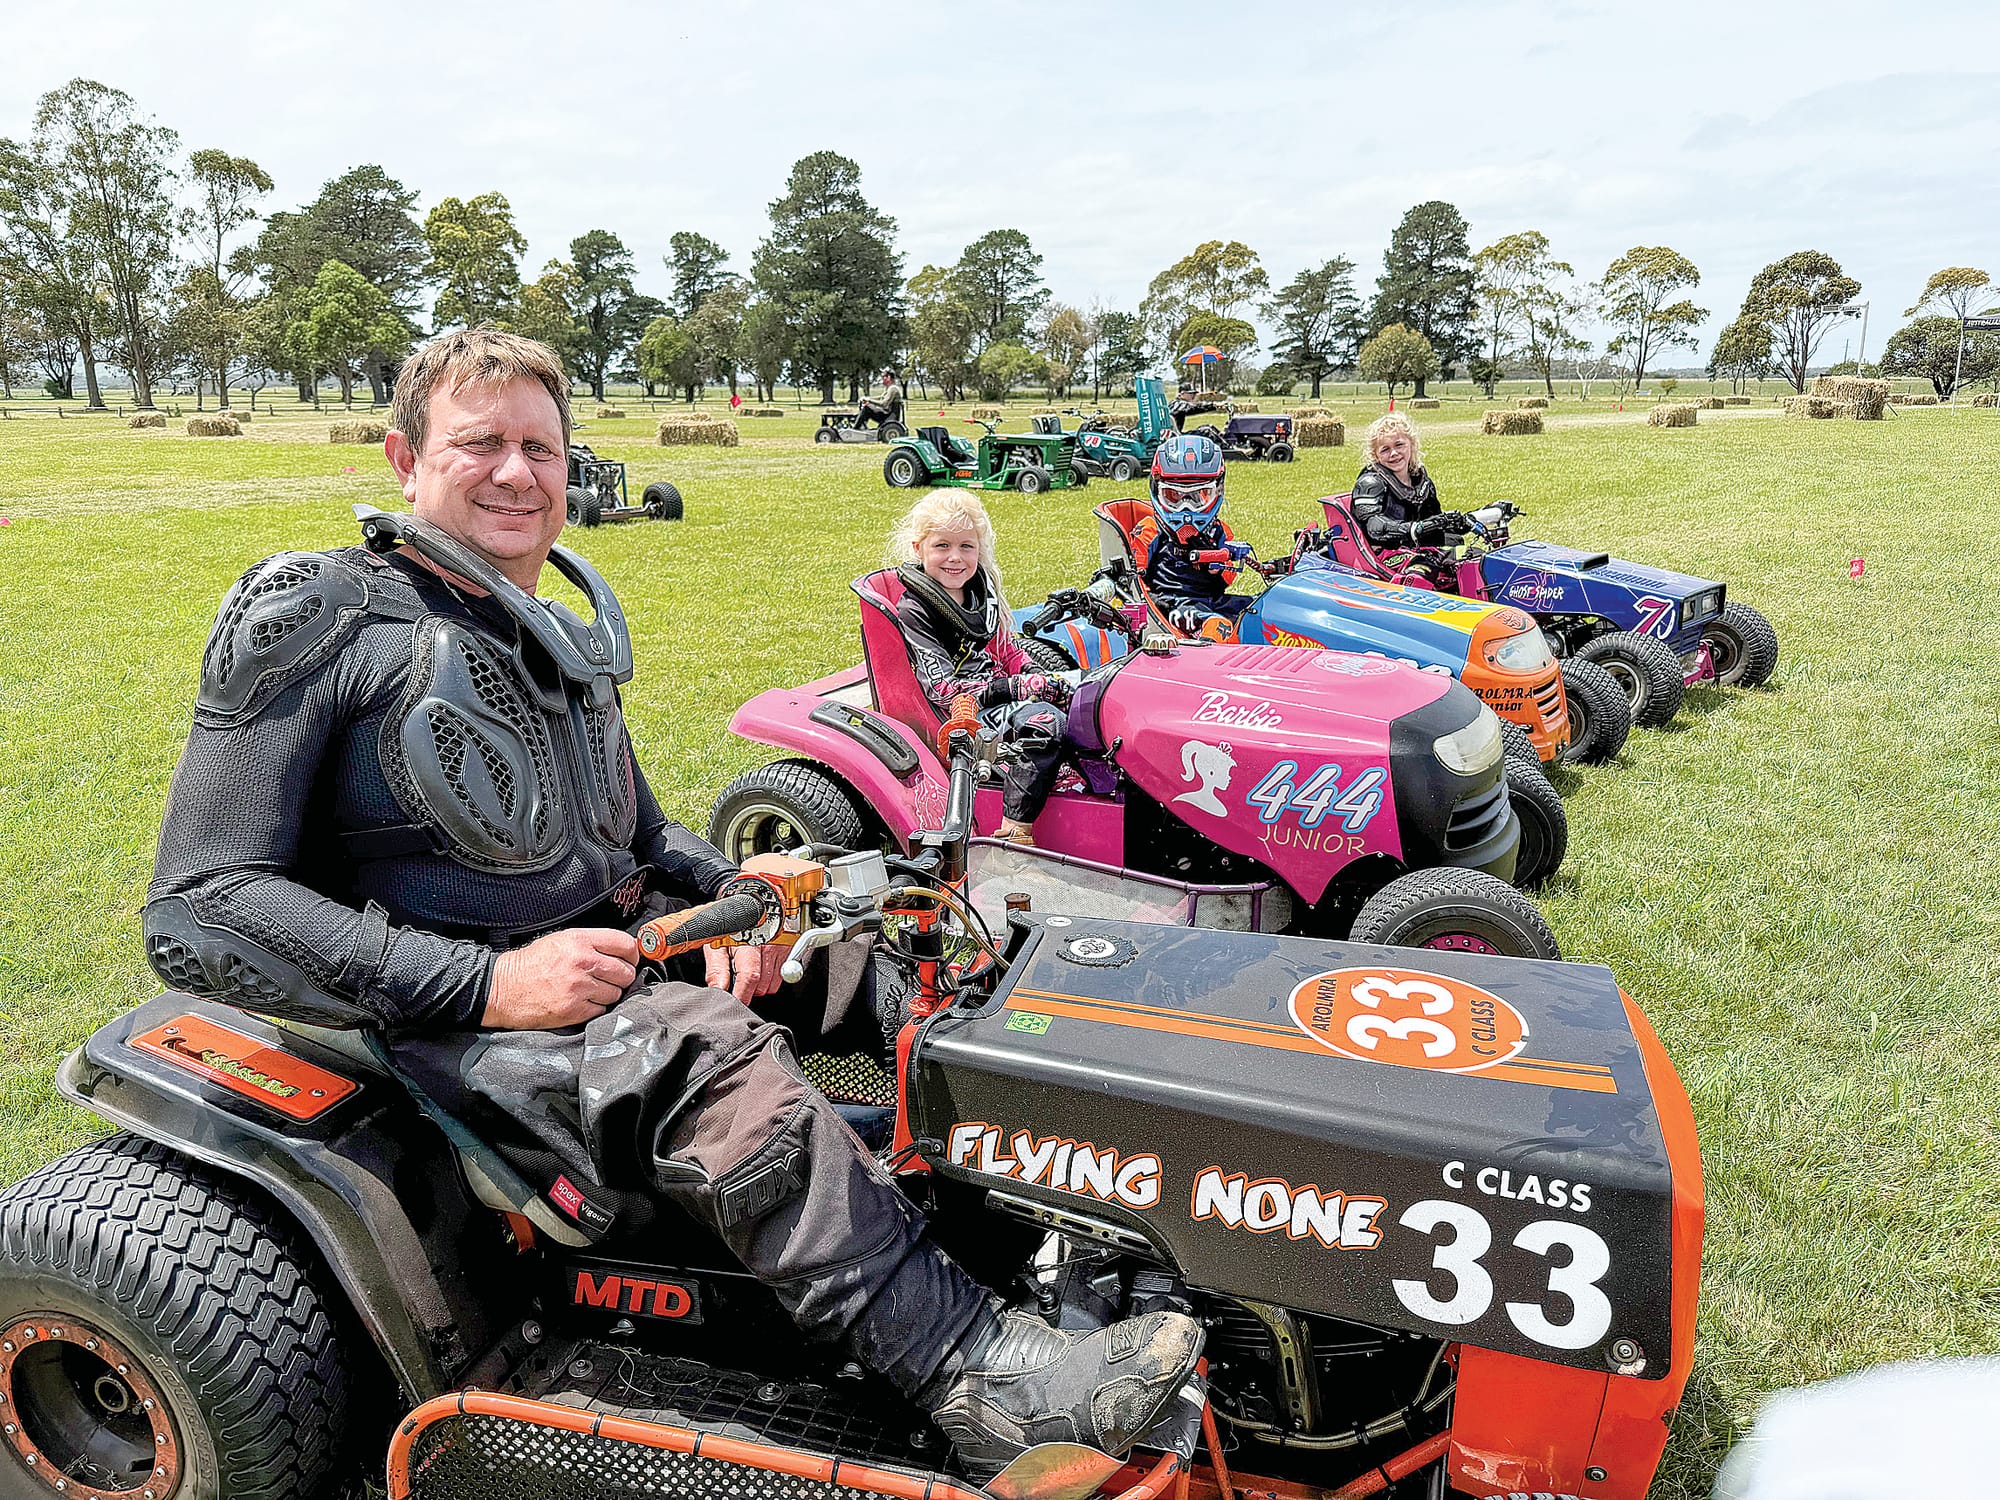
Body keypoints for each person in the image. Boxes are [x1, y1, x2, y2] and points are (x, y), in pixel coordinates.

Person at [140, 329, 1201, 1481]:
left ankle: (1068, 1235)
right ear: (404, 457)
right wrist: (491, 983)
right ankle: (978, 1379)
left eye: (537, 448)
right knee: (715, 1058)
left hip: (611, 965)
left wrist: (736, 897)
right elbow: (199, 904)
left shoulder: (551, 624)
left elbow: (637, 837)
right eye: (478, 444)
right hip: (449, 1021)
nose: (514, 473)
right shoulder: (319, 615)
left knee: (916, 961)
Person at [890, 491, 1072, 846]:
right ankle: (1013, 836)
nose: (955, 558)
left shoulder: (978, 594)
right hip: (964, 715)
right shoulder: (917, 609)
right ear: (918, 548)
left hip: (996, 697)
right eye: (942, 546)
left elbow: (1008, 650)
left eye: (966, 547)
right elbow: (941, 688)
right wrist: (1016, 688)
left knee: (1085, 703)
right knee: (1043, 723)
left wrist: (1038, 674)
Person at [1131, 432, 1255, 639]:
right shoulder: (1150, 529)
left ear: (1217, 491)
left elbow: (1228, 579)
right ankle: (1208, 665)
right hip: (1170, 603)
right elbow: (1135, 582)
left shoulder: (1220, 531)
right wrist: (1153, 603)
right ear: (1157, 490)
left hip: (1211, 599)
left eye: (1199, 497)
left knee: (1260, 609)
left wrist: (1216, 564)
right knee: (1217, 626)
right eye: (1174, 496)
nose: (1185, 508)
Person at [1348, 411, 1468, 584]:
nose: (1394, 454)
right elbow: (1374, 526)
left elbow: (1435, 522)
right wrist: (1414, 528)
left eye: (1399, 445)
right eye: (1385, 449)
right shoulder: (1370, 482)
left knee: (1472, 556)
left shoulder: (1422, 482)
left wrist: (1464, 521)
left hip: (1417, 549)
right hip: (1383, 555)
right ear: (1375, 455)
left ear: (1411, 445)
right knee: (1424, 569)